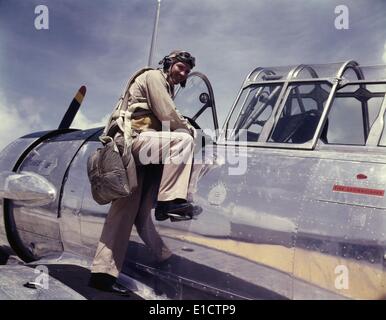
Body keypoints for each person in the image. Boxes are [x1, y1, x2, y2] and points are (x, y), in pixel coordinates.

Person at [88, 50, 198, 295]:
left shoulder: (167, 86)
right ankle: (169, 202)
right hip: (133, 143)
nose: (183, 73)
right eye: (181, 67)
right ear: (169, 64)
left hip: (140, 153)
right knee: (183, 141)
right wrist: (191, 131)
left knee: (125, 211)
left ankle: (102, 275)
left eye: (187, 71)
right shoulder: (153, 77)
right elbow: (167, 114)